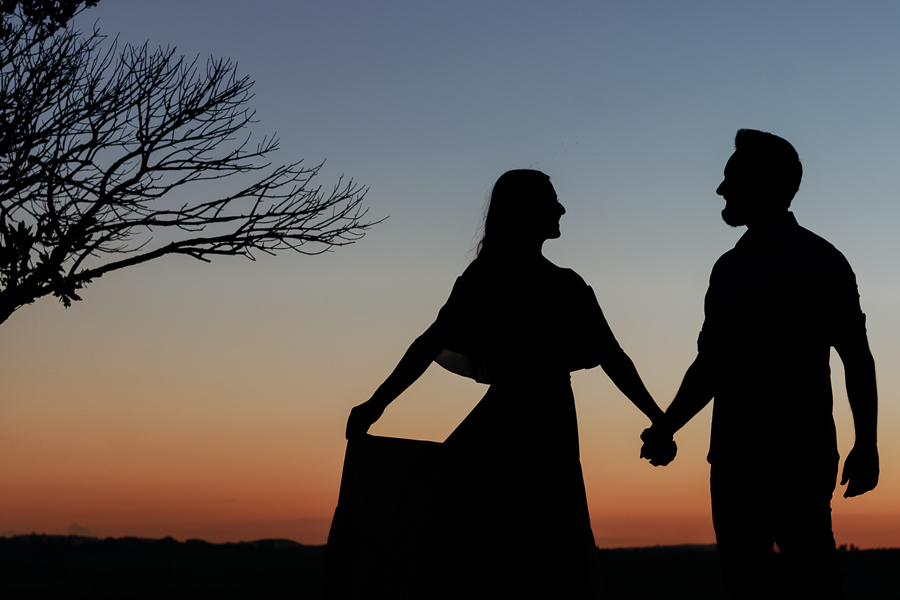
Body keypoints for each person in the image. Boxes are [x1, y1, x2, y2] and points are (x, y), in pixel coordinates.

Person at [338, 169, 668, 598]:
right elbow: (428, 344)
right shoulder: (534, 285)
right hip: (530, 429)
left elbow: (614, 359)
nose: (562, 208)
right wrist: (375, 404)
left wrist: (662, 419)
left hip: (526, 427)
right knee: (524, 547)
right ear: (525, 211)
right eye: (551, 200)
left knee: (514, 547)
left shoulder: (530, 283)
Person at [640, 129, 879, 599]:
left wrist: (867, 443)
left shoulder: (821, 263)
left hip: (797, 456)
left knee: (811, 579)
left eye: (731, 178)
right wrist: (667, 425)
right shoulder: (729, 268)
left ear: (765, 185)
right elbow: (711, 365)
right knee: (745, 582)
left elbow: (856, 357)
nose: (721, 189)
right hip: (735, 458)